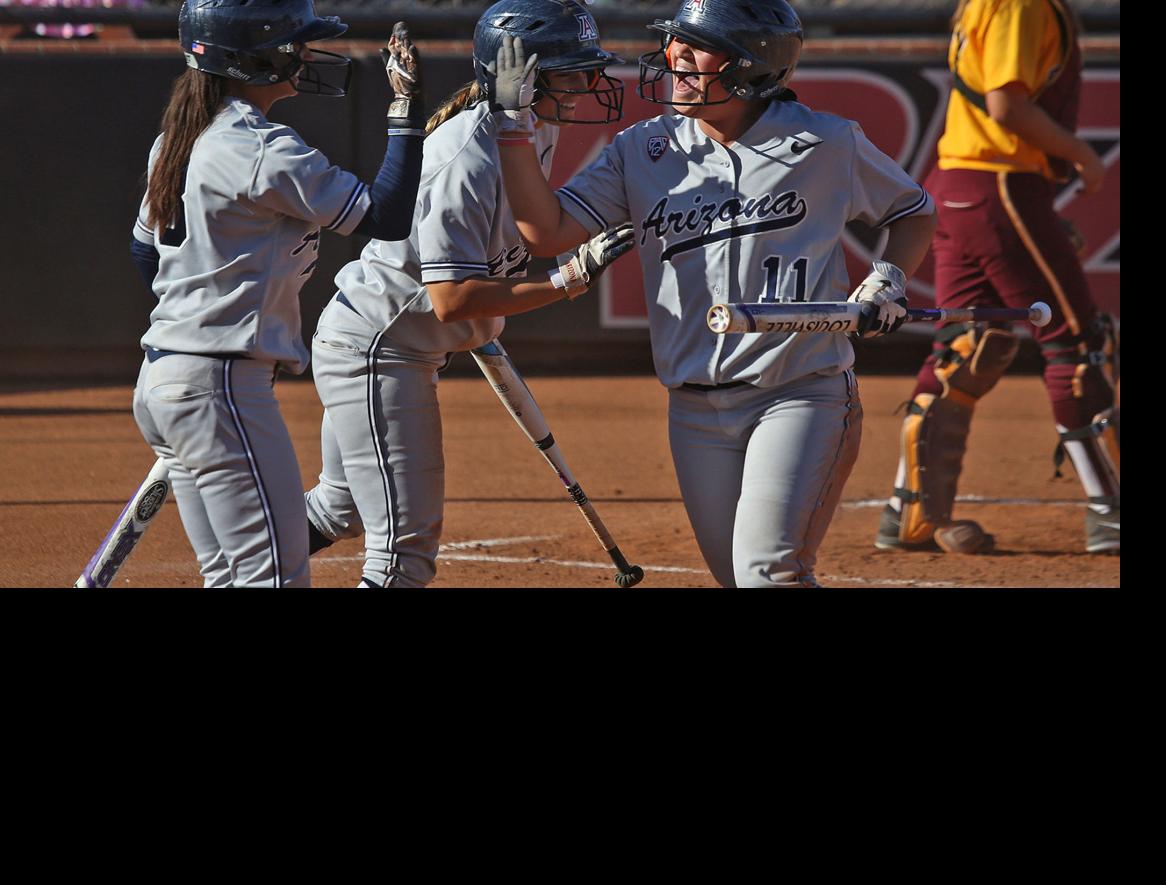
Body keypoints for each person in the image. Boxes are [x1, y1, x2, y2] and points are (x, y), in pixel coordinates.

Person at [494, 0, 936, 588]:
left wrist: (888, 278)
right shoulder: (641, 148)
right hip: (693, 411)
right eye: (674, 41)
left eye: (694, 45)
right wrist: (512, 127)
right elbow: (545, 232)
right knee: (737, 578)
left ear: (752, 65)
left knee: (766, 574)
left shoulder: (826, 142)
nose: (673, 56)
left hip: (800, 395)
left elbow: (913, 211)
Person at [300, 0, 631, 588]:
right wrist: (567, 279)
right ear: (522, 75)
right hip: (379, 349)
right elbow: (451, 299)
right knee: (403, 557)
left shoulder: (531, 126)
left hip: (400, 344)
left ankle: (244, 560)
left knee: (338, 510)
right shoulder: (464, 155)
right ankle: (240, 556)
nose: (587, 84)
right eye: (572, 70)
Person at [130, 0, 425, 587]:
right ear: (255, 59)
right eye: (293, 44)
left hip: (166, 380)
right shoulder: (260, 145)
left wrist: (193, 321)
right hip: (219, 388)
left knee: (229, 578)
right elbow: (387, 215)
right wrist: (406, 114)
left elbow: (144, 253)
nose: (304, 55)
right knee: (274, 579)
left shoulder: (178, 138)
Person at [872, 0, 1119, 556]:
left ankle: (910, 511)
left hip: (958, 185)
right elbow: (1006, 106)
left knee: (966, 344)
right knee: (1080, 347)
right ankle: (1112, 513)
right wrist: (1083, 155)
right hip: (1001, 184)